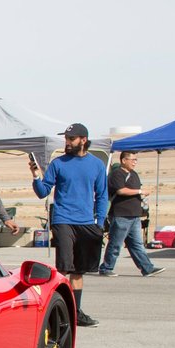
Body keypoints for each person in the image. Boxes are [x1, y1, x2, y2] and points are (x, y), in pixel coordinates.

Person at [29, 124, 108, 327]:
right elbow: (42, 191)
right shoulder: (58, 164)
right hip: (63, 220)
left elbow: (102, 195)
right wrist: (36, 176)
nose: (67, 142)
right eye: (66, 138)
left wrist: (100, 222)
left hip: (87, 223)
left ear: (83, 140)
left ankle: (76, 312)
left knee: (79, 271)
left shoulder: (96, 165)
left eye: (71, 139)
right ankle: (54, 311)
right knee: (63, 268)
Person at [98, 150, 161, 278]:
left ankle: (147, 268)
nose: (134, 162)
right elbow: (121, 191)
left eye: (136, 160)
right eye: (132, 160)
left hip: (134, 216)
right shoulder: (117, 174)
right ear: (123, 160)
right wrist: (140, 191)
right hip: (121, 215)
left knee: (137, 244)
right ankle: (106, 268)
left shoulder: (134, 175)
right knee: (115, 243)